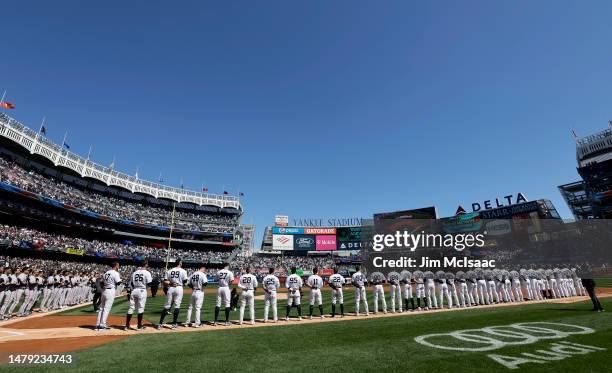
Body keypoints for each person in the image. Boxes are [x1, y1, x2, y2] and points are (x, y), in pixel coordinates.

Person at [157, 259, 188, 330]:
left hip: (171, 288)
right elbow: (185, 281)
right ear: (180, 263)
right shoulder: (183, 271)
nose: (182, 263)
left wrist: (171, 283)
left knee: (166, 306)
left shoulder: (170, 270)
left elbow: (165, 281)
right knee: (177, 306)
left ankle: (160, 324)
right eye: (181, 262)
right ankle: (174, 324)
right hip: (179, 288)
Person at [125, 260, 152, 331]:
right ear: (146, 264)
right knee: (140, 308)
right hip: (142, 290)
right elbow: (149, 284)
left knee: (131, 308)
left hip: (134, 290)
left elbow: (132, 283)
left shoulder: (135, 272)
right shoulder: (147, 273)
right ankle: (139, 326)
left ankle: (127, 325)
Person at [95, 262, 121, 331]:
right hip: (110, 291)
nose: (119, 266)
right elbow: (118, 283)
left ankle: (98, 324)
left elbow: (101, 282)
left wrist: (104, 287)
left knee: (101, 308)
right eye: (118, 265)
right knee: (106, 308)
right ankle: (103, 324)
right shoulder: (115, 273)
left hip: (104, 290)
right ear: (115, 266)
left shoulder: (106, 272)